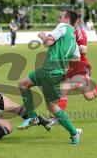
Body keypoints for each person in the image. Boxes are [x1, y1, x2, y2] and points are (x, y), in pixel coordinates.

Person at [17, 9, 83, 145]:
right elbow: (76, 59)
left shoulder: (62, 27)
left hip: (50, 71)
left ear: (66, 20)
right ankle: (32, 117)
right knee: (23, 84)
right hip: (51, 71)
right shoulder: (74, 40)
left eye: (60, 17)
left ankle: (74, 132)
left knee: (53, 107)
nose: (59, 19)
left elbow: (48, 42)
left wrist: (42, 36)